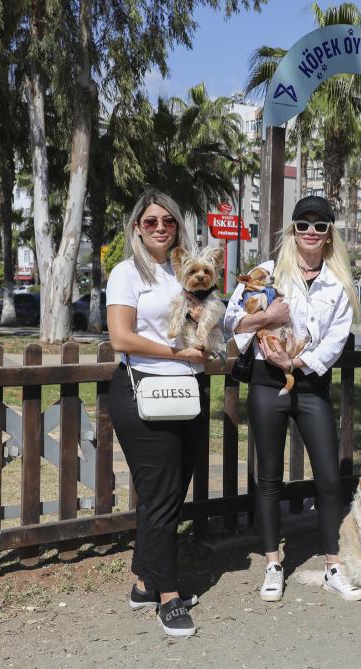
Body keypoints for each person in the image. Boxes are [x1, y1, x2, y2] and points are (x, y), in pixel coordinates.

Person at [224, 195, 361, 603]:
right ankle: (272, 563)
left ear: (329, 234)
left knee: (327, 476)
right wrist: (269, 318)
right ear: (293, 230)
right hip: (267, 381)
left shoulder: (338, 285)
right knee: (268, 477)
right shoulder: (266, 273)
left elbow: (335, 342)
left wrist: (297, 361)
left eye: (320, 226)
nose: (311, 233)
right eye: (304, 224)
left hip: (310, 383)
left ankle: (333, 565)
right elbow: (232, 320)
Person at [106, 189, 210, 637]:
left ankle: (145, 579)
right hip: (143, 388)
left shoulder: (185, 270)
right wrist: (178, 350)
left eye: (168, 220)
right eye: (151, 222)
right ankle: (168, 596)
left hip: (188, 390)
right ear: (137, 228)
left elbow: (209, 322)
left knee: (167, 491)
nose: (160, 228)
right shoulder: (126, 273)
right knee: (163, 493)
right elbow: (121, 338)